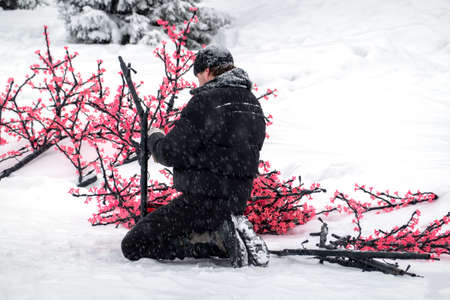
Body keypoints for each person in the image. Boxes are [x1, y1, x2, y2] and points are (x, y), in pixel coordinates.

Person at [121, 45, 269, 267]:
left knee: (134, 245)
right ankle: (224, 233)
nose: (199, 82)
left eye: (198, 75)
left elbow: (171, 152)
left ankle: (215, 240)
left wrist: (154, 139)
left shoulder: (206, 101)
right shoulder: (252, 103)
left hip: (202, 200)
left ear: (207, 70)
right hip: (236, 200)